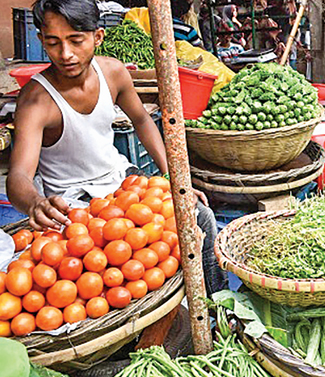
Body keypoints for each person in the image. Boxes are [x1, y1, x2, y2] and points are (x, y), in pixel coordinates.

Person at [9, 0, 227, 294]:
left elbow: (142, 120)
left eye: (76, 41)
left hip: (121, 185)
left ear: (97, 37)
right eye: (53, 43)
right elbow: (19, 175)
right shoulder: (36, 100)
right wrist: (35, 203)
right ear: (41, 42)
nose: (66, 54)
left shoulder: (113, 73)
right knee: (111, 272)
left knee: (199, 215)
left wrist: (175, 177)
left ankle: (215, 308)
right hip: (76, 207)